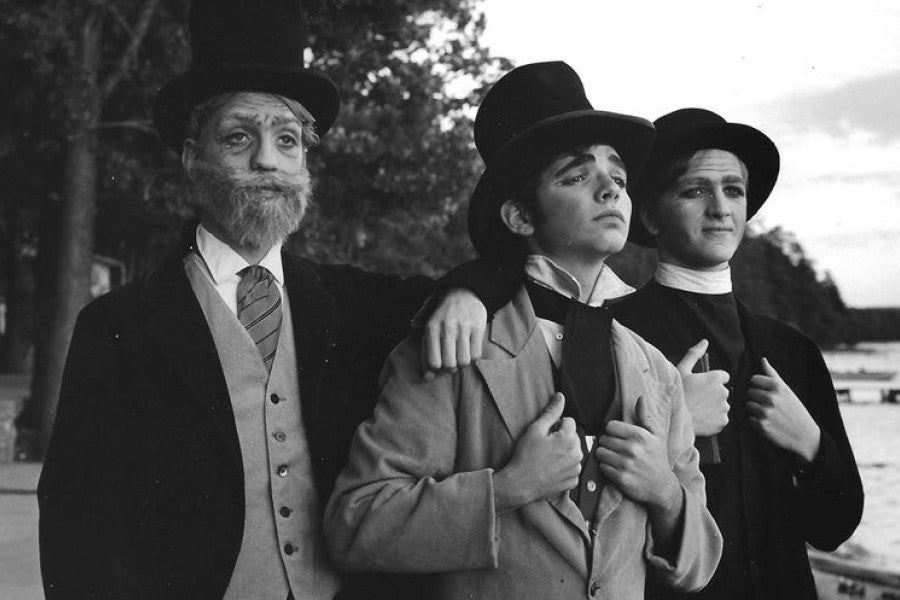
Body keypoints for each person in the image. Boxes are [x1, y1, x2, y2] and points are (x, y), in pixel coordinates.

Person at [37, 2, 513, 599]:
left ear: (304, 163)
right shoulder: (117, 325)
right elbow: (78, 527)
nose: (266, 159)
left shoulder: (354, 301)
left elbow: (501, 269)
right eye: (239, 137)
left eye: (287, 140)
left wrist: (469, 291)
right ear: (192, 158)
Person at [324, 62, 722, 600]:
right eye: (576, 176)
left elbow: (699, 568)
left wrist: (666, 493)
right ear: (518, 217)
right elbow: (356, 527)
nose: (611, 189)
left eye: (620, 178)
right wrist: (509, 488)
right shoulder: (455, 344)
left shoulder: (656, 369)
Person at [612, 108, 864, 600]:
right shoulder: (614, 332)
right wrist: (675, 416)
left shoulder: (793, 350)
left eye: (733, 190)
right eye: (694, 190)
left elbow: (835, 526)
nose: (720, 208)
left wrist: (811, 443)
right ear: (649, 215)